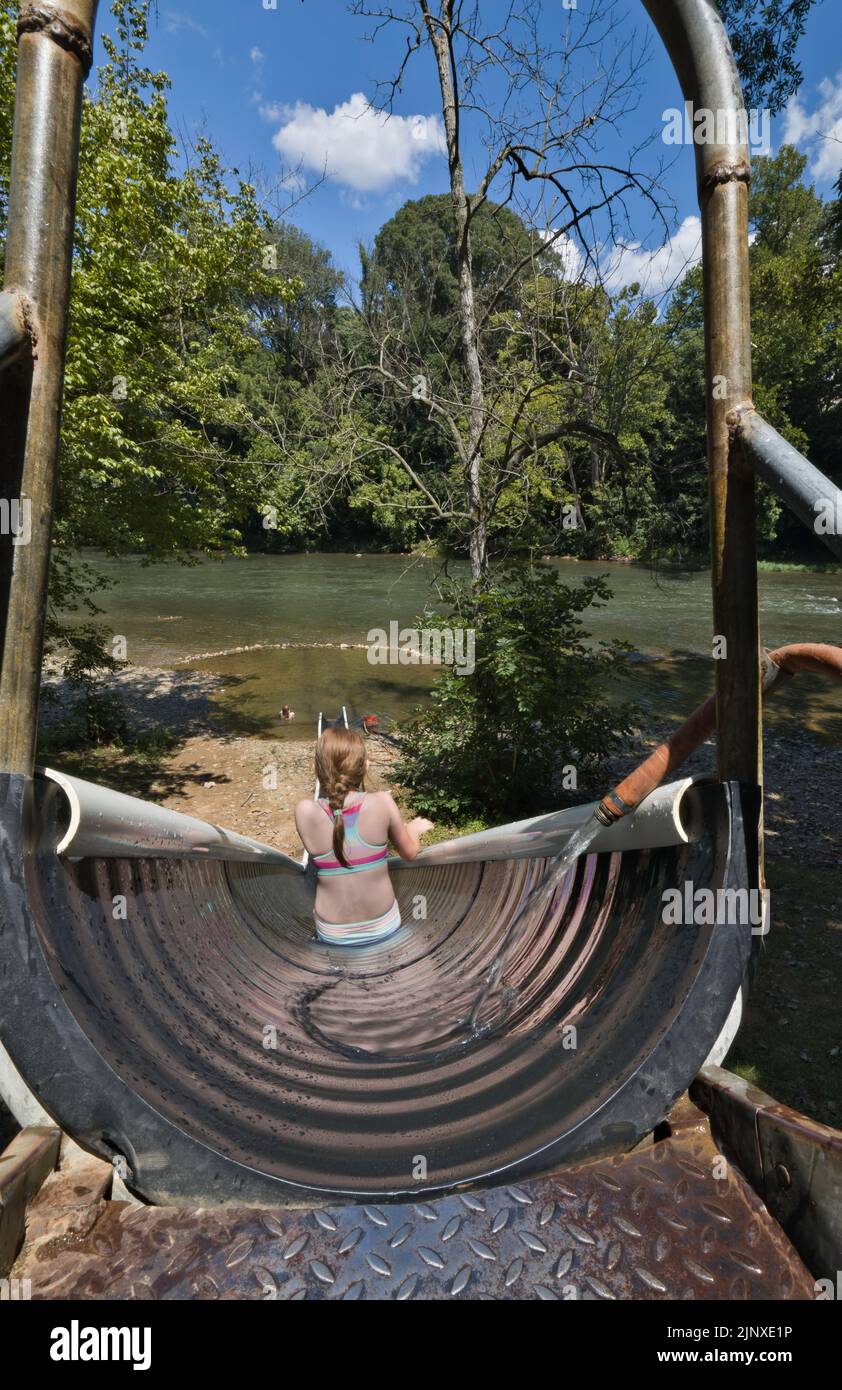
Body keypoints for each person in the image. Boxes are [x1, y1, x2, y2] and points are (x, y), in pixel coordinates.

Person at [295, 726, 433, 946]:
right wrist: (413, 830)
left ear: (315, 769)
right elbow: (409, 852)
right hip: (383, 927)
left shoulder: (305, 812)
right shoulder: (382, 802)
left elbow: (334, 822)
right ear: (366, 766)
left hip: (332, 933)